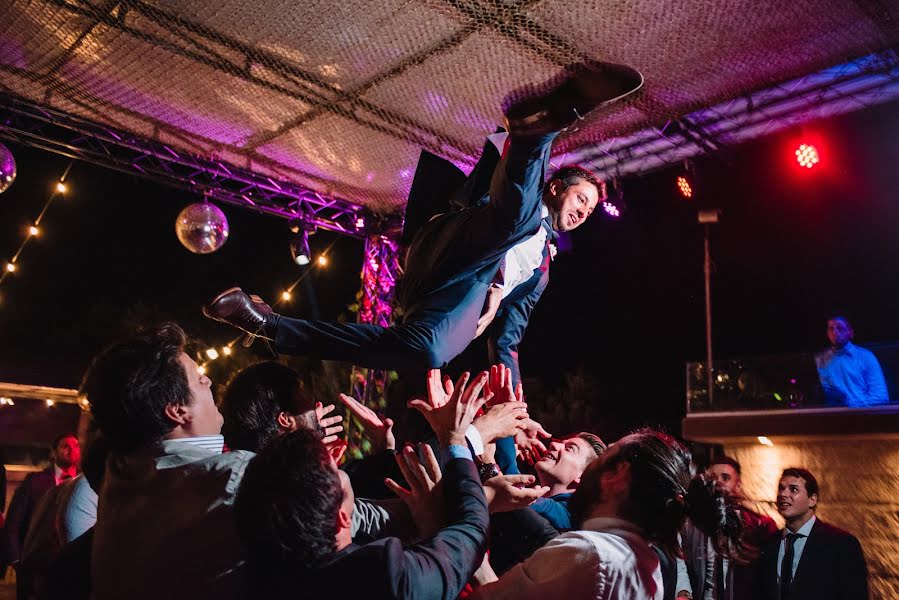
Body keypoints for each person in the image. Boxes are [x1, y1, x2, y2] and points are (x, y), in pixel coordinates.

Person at [202, 61, 643, 384]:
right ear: (554, 187)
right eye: (580, 197)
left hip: (457, 302)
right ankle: (538, 130)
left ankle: (267, 325)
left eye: (589, 211)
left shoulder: (541, 273)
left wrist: (514, 397)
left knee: (428, 353)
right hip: (449, 246)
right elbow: (507, 203)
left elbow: (506, 343)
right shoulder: (521, 206)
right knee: (517, 222)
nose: (584, 211)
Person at [234, 371, 491, 599]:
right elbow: (470, 531)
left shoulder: (265, 580)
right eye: (336, 468)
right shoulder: (384, 576)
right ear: (342, 519)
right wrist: (455, 438)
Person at [80, 322, 253, 600]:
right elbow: (336, 522)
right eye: (199, 378)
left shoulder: (119, 472)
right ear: (177, 410)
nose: (208, 381)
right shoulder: (233, 477)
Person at [470, 429, 744, 600]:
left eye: (605, 456)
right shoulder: (643, 562)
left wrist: (460, 440)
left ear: (617, 474)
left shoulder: (590, 554)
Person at [754, 468, 868, 600]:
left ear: (812, 500)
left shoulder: (841, 544)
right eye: (781, 488)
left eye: (793, 489)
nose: (783, 494)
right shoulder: (769, 544)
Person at [677, 456, 778, 600]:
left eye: (725, 478)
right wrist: (683, 591)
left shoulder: (759, 526)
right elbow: (680, 560)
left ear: (738, 485)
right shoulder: (692, 524)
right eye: (712, 478)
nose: (718, 482)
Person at [3, 433, 80, 571]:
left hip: (72, 563)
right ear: (54, 452)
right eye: (65, 446)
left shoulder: (85, 482)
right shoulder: (34, 481)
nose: (72, 450)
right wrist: (16, 560)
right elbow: (14, 522)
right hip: (36, 562)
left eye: (75, 446)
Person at [815, 315, 888, 407]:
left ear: (850, 333)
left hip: (863, 414)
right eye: (831, 329)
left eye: (840, 328)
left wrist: (851, 405)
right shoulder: (821, 359)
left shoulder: (866, 356)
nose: (835, 332)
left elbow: (880, 396)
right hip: (833, 415)